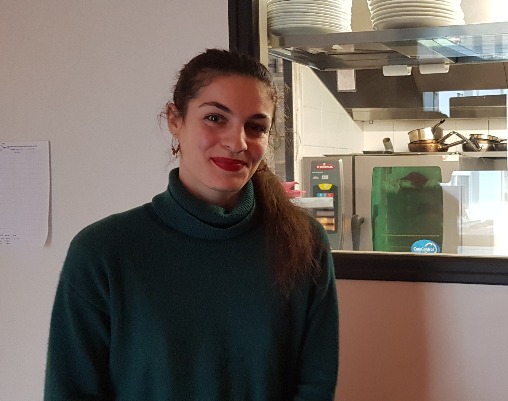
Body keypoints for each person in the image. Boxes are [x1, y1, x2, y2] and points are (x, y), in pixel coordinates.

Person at [44, 49, 339, 400]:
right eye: (215, 118)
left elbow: (315, 385)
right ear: (175, 119)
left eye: (255, 127)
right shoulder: (103, 252)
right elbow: (71, 390)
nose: (237, 142)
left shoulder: (303, 242)